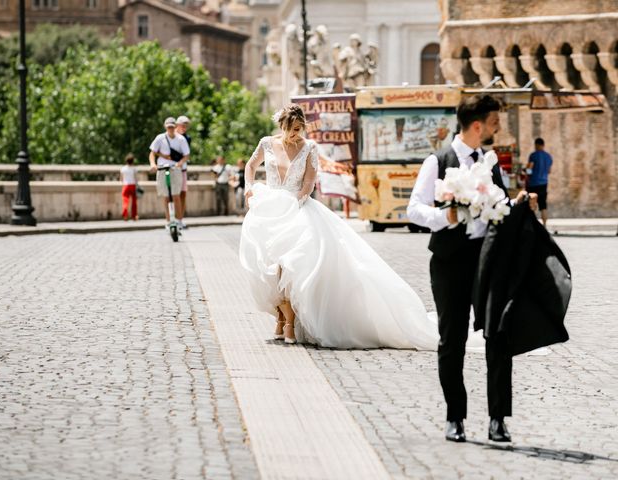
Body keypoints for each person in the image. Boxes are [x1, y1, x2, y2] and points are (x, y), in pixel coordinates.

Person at [239, 104, 466, 349]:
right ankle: (280, 316)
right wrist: (250, 186)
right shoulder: (266, 143)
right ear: (281, 126)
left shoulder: (309, 148)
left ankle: (290, 323)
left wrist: (296, 201)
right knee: (267, 266)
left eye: (298, 129)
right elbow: (250, 166)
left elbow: (308, 182)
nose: (295, 134)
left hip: (297, 209)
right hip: (269, 210)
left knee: (289, 265)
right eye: (291, 129)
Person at [407, 94, 537, 444]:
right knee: (453, 340)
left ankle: (498, 420)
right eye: (494, 122)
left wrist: (519, 203)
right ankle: (455, 418)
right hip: (450, 263)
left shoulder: (490, 161)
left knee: (499, 336)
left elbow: (498, 207)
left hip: (487, 260)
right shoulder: (438, 161)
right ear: (477, 125)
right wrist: (443, 216)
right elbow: (414, 210)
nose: (497, 128)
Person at [149, 117, 189, 230]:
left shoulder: (181, 139)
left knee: (176, 195)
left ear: (175, 126)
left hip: (175, 169)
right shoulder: (160, 138)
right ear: (165, 127)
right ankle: (168, 220)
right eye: (169, 127)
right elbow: (152, 153)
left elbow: (186, 155)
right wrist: (152, 164)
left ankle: (179, 220)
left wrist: (180, 164)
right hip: (162, 168)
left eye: (172, 126)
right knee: (166, 196)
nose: (171, 129)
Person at [526, 137, 553, 226]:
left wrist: (526, 171)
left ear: (536, 145)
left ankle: (532, 226)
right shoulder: (548, 157)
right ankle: (544, 226)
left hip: (533, 183)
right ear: (543, 145)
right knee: (543, 206)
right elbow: (549, 171)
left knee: (532, 205)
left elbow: (529, 169)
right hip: (544, 184)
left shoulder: (533, 155)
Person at [175, 115, 191, 226]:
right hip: (173, 167)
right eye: (182, 126)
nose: (184, 128)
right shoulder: (170, 136)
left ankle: (180, 219)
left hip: (182, 168)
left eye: (186, 126)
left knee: (183, 194)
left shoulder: (186, 138)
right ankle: (173, 218)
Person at [120, 153, 138, 221]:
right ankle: (134, 216)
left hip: (125, 185)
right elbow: (136, 179)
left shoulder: (123, 169)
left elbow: (121, 179)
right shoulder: (134, 169)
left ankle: (125, 215)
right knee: (134, 202)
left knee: (125, 201)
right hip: (132, 185)